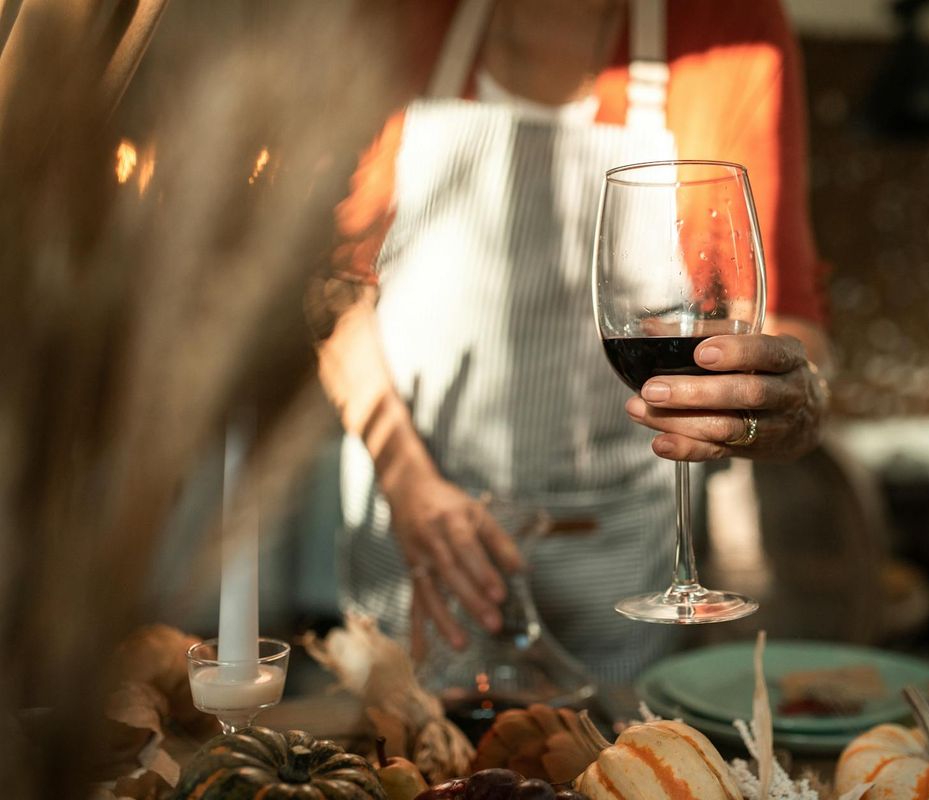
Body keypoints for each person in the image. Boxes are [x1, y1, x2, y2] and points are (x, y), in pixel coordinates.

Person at [318, 0, 832, 685]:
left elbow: (785, 315)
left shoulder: (730, 26)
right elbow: (332, 288)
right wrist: (409, 482)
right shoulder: (397, 18)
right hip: (425, 539)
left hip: (623, 565)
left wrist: (792, 400)